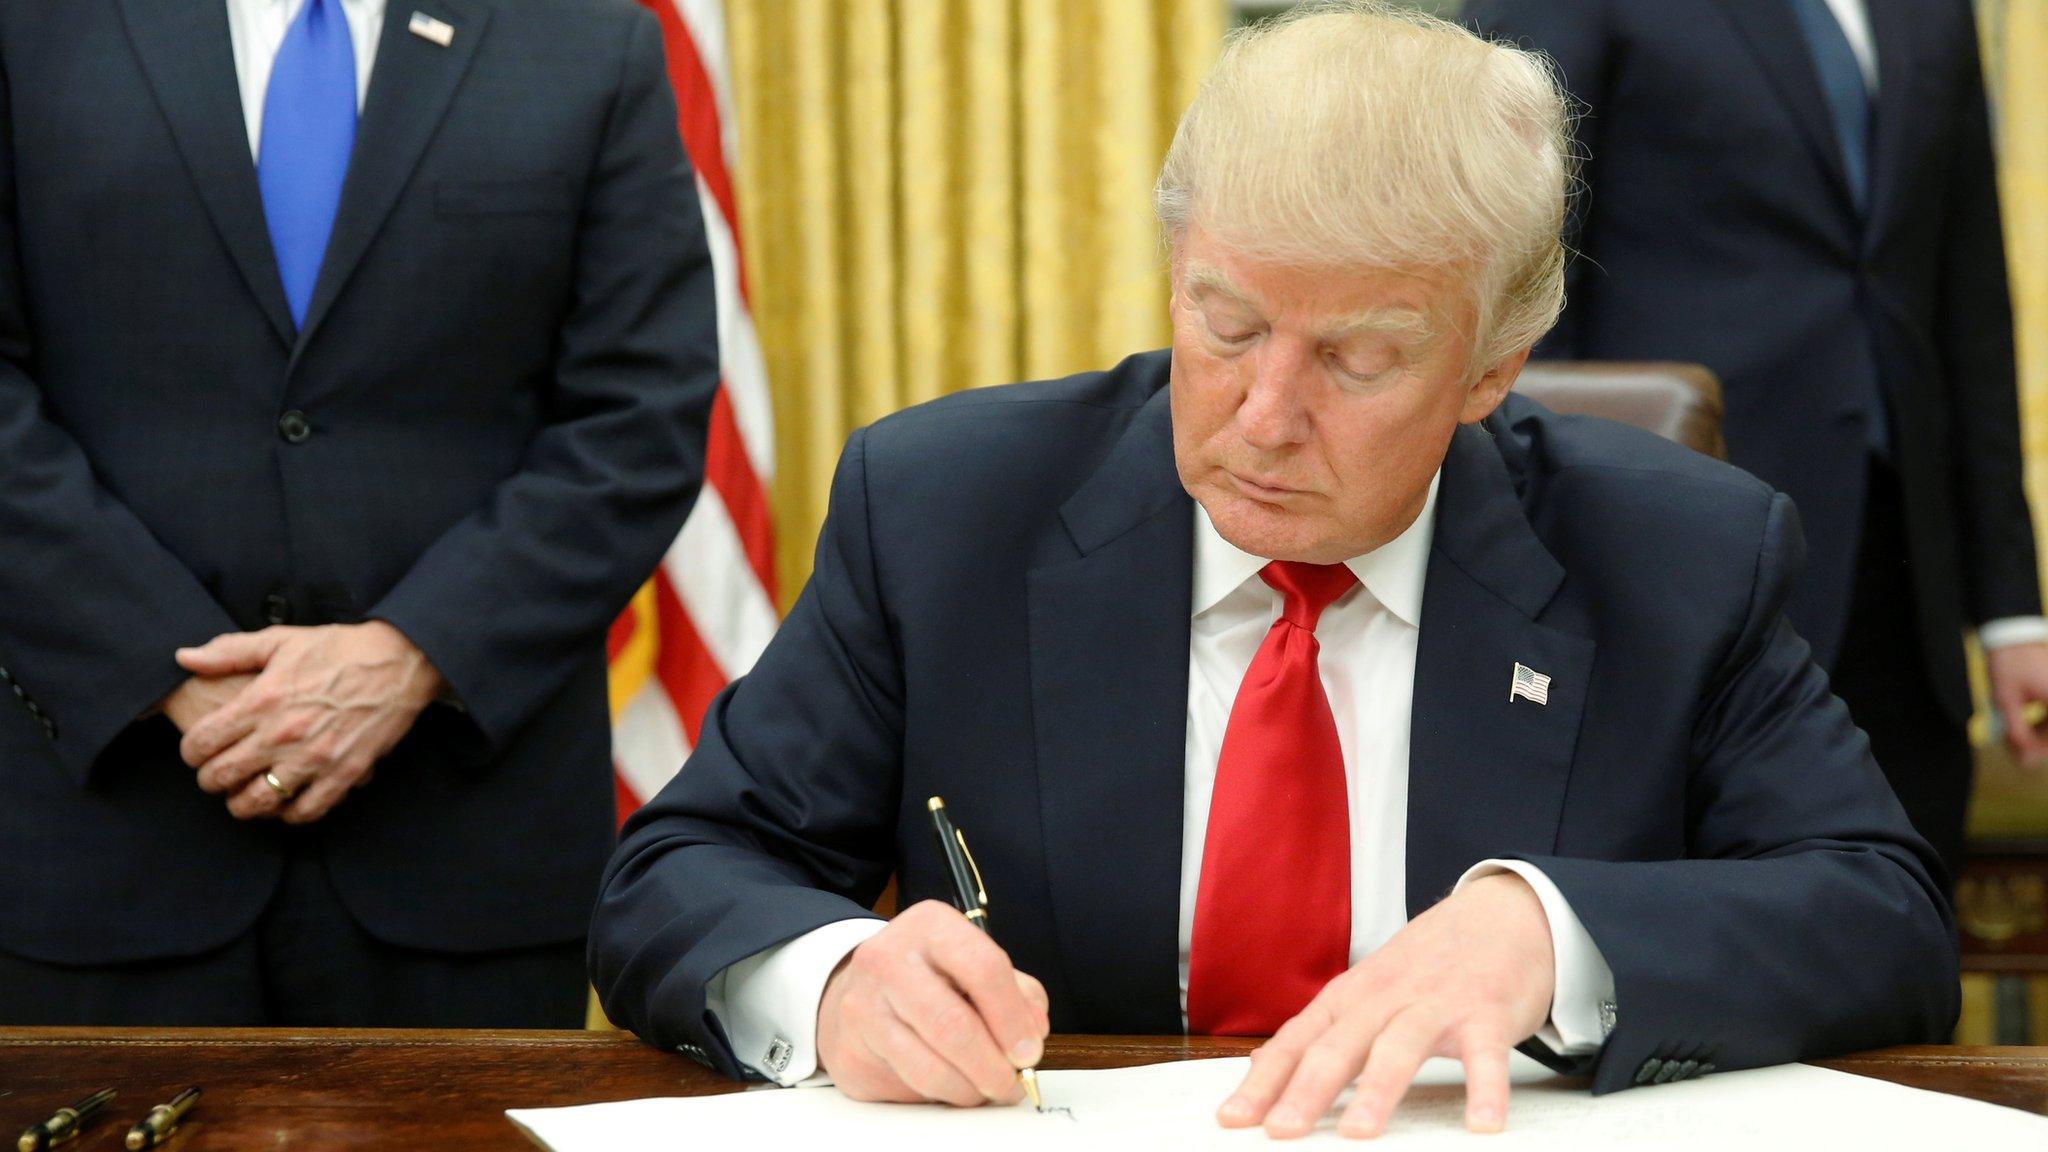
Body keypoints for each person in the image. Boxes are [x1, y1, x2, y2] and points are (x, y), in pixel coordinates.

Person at [590, 1, 1953, 1138]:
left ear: (1491, 365)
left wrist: (1556, 935)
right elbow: (682, 867)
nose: (1263, 415)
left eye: (1356, 359)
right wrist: (831, 981)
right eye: (1227, 322)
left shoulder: (1677, 555)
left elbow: (1887, 923)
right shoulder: (949, 510)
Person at [0, 0, 716, 1027]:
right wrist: (164, 669)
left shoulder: (587, 37)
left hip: (462, 857)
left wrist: (409, 655)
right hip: (102, 842)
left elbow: (639, 418)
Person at [1462, 0, 2048, 886]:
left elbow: (1966, 290)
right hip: (1658, 561)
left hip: (1902, 582)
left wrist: (2011, 609)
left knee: (1898, 923)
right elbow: (1513, 256)